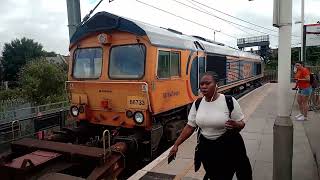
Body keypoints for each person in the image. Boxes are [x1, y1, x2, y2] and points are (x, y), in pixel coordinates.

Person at [168, 71, 252, 180]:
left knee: (225, 175)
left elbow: (242, 124)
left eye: (207, 83)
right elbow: (190, 126)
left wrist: (236, 124)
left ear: (217, 85)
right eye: (201, 84)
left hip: (228, 147)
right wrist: (176, 145)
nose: (203, 86)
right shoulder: (197, 103)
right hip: (207, 148)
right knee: (212, 174)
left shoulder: (229, 101)